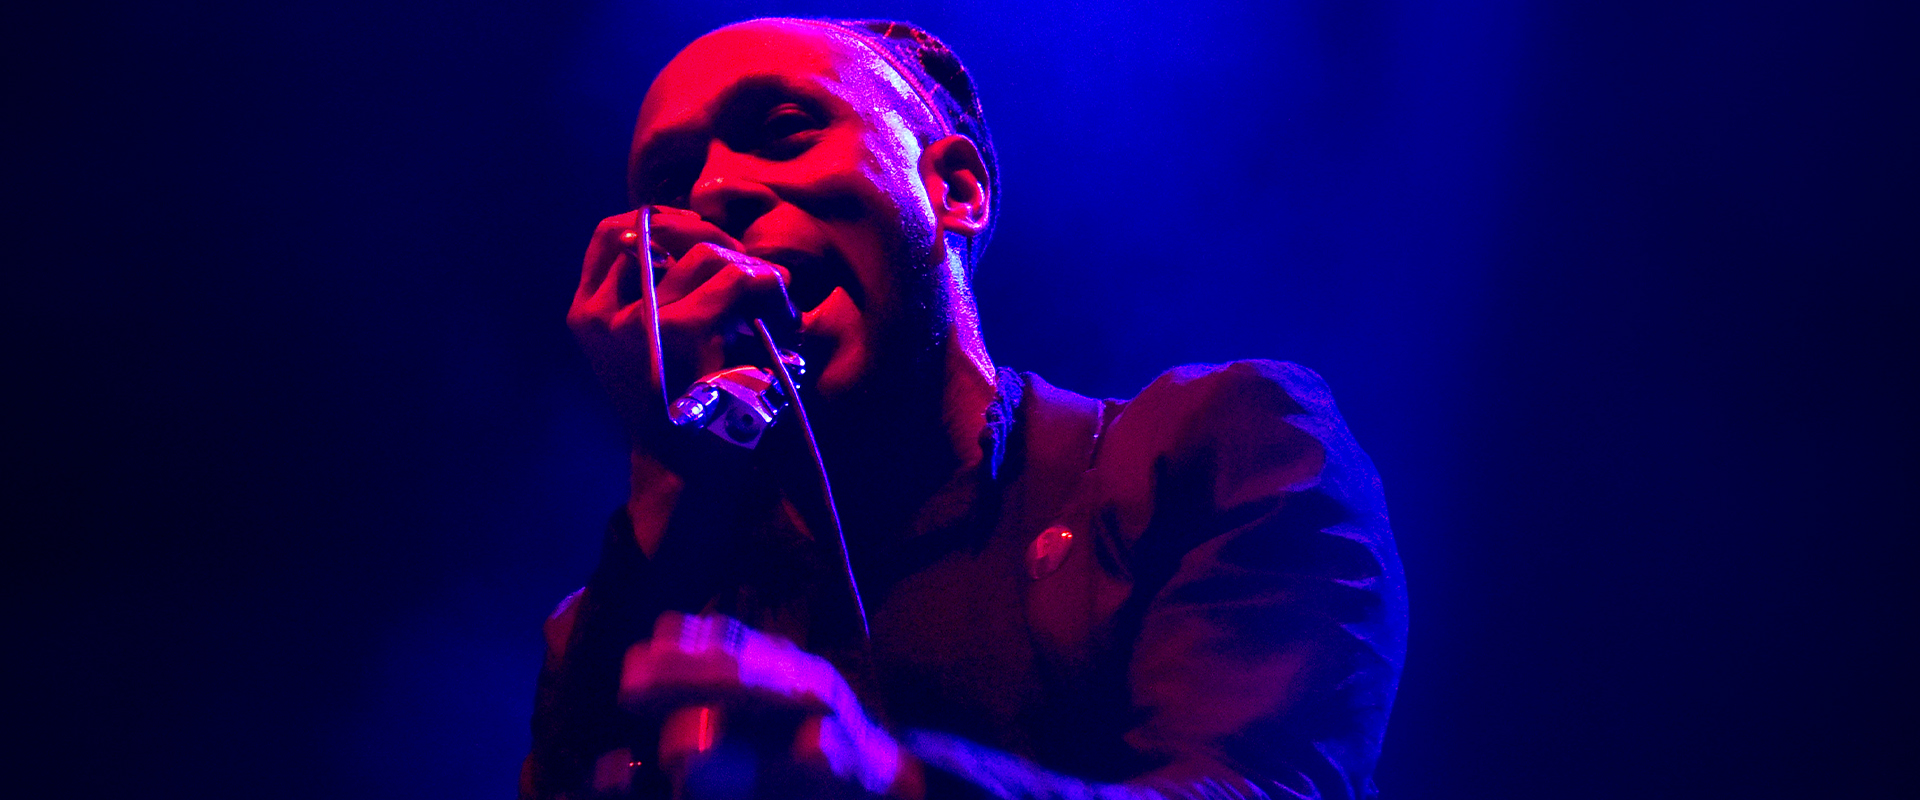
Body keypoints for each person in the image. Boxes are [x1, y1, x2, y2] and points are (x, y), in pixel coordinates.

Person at [526, 17, 1406, 800]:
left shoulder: (1226, 449)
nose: (713, 195)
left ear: (956, 190)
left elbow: (1266, 784)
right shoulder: (640, 605)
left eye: (784, 131)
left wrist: (892, 783)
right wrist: (662, 484)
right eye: (672, 183)